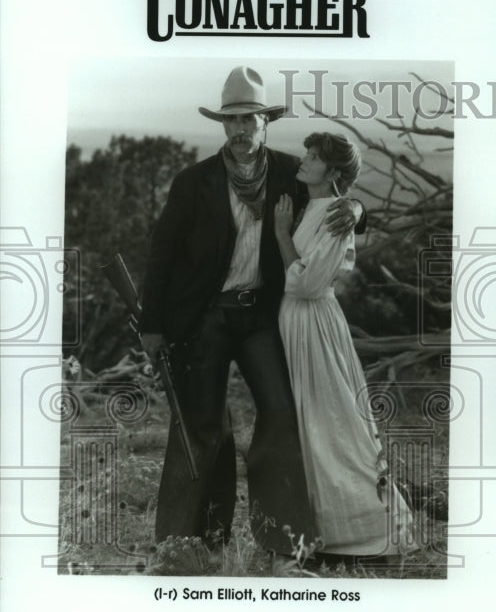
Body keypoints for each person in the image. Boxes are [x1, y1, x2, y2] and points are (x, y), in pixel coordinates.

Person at [139, 66, 365, 555]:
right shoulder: (193, 182)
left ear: (266, 122)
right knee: (202, 426)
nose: (241, 131)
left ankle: (285, 539)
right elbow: (160, 257)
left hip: (262, 317)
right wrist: (152, 326)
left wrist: (359, 211)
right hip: (205, 317)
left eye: (250, 120)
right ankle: (190, 542)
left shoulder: (290, 173)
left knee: (282, 414)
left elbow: (335, 199)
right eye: (232, 121)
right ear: (223, 125)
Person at [273, 132, 415, 558]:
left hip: (312, 320)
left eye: (313, 157)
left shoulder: (336, 214)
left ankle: (363, 530)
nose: (304, 159)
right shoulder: (312, 202)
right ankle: (318, 527)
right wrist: (352, 205)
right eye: (307, 152)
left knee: (333, 420)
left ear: (333, 171)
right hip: (294, 321)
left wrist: (283, 233)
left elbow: (307, 283)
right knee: (308, 422)